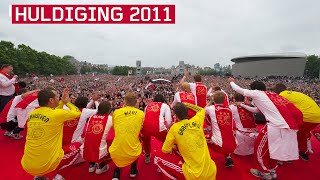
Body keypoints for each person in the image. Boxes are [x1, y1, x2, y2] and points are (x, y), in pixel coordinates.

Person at [228, 77, 302, 180]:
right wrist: (242, 105)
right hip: (289, 126)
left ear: (254, 90)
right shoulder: (273, 96)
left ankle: (264, 172)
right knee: (274, 150)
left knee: (260, 148)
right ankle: (272, 170)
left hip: (275, 126)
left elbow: (239, 90)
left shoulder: (258, 94)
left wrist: (231, 81)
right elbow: (255, 110)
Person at [21, 88, 81, 180]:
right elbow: (77, 113)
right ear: (51, 100)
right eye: (57, 96)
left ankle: (39, 176)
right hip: (47, 165)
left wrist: (61, 102)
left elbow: (54, 112)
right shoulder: (55, 114)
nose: (59, 98)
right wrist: (67, 102)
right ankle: (58, 177)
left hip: (27, 164)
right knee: (78, 147)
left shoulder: (33, 113)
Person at [154, 102, 217, 180]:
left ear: (175, 116)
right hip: (211, 171)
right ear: (187, 112)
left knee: (157, 158)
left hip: (194, 175)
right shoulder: (196, 121)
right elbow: (201, 110)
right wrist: (187, 104)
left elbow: (165, 150)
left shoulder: (174, 128)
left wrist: (174, 146)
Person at [273, 83, 320, 161]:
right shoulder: (294, 94)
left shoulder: (282, 95)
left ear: (277, 90)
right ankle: (303, 152)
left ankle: (288, 155)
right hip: (316, 117)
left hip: (306, 117)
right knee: (301, 134)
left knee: (290, 134)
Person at [109, 92, 144, 180]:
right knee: (138, 141)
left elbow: (114, 128)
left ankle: (116, 172)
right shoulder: (141, 114)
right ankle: (133, 168)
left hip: (116, 148)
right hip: (133, 149)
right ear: (136, 102)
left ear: (125, 101)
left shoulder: (116, 112)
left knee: (120, 141)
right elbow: (141, 129)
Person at [80, 101, 113, 175]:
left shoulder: (91, 117)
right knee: (112, 142)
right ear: (109, 110)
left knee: (93, 139)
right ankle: (101, 166)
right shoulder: (110, 118)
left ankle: (92, 164)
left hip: (85, 149)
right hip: (99, 151)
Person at [205, 91, 237, 167]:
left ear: (214, 100)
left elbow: (202, 111)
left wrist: (210, 102)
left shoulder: (211, 108)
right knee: (225, 135)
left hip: (219, 145)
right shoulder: (230, 109)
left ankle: (205, 159)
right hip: (233, 145)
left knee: (202, 139)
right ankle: (228, 158)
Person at [141, 94, 172, 163]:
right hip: (158, 127)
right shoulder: (165, 106)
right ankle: (164, 158)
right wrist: (167, 129)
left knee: (146, 141)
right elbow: (169, 120)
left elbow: (144, 117)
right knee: (167, 141)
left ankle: (147, 156)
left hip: (146, 127)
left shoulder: (148, 105)